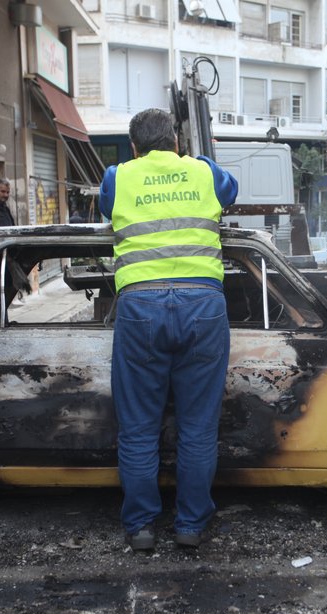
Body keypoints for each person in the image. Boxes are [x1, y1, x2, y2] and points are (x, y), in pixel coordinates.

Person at [99, 108, 238, 551]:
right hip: (203, 306)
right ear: (176, 141)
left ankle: (141, 528)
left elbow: (106, 207)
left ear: (134, 147)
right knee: (198, 427)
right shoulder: (204, 172)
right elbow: (231, 191)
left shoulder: (118, 177)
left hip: (140, 307)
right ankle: (190, 526)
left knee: (139, 428)